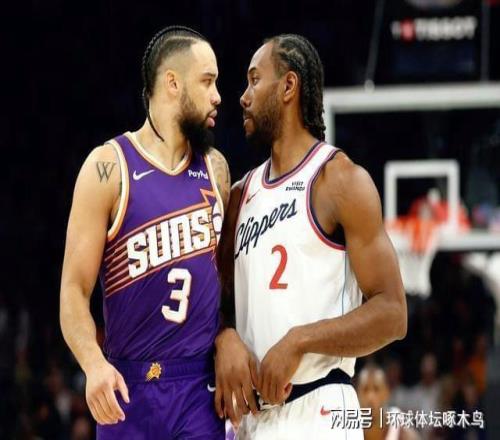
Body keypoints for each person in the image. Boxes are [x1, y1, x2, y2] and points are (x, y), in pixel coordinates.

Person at [214, 34, 407, 439]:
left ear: (289, 86)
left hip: (321, 408)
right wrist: (223, 336)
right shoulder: (240, 195)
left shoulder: (340, 180)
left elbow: (392, 313)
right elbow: (217, 305)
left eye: (254, 80)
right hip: (253, 421)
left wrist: (301, 340)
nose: (243, 97)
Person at [60, 26, 229, 439]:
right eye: (207, 81)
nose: (217, 96)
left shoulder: (216, 169)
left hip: (199, 388)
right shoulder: (108, 167)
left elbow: (229, 282)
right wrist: (93, 364)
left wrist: (230, 337)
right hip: (128, 386)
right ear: (172, 83)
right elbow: (73, 291)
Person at [357, 364, 420, 440]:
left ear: (386, 393)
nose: (370, 396)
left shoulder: (400, 427)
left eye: (376, 389)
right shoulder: (349, 428)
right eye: (365, 389)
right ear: (357, 393)